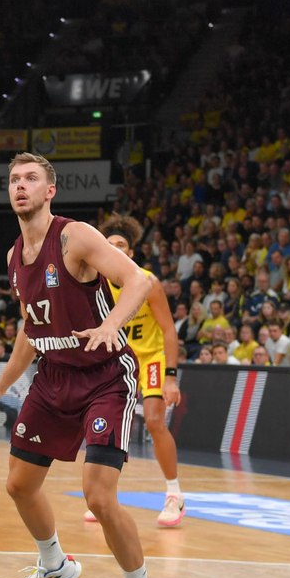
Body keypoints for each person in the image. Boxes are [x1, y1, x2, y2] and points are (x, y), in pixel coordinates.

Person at [0, 153, 152, 578]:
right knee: (19, 485)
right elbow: (32, 330)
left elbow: (139, 281)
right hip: (53, 379)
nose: (20, 185)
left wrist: (111, 325)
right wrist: (3, 383)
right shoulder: (15, 254)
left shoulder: (75, 237)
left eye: (31, 179)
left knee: (99, 497)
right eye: (14, 179)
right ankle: (55, 565)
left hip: (105, 376)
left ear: (49, 191)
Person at [88, 215, 185, 527]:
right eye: (109, 245)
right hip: (119, 360)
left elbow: (169, 331)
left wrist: (170, 375)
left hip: (152, 358)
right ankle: (105, 497)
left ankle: (174, 495)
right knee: (108, 427)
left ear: (129, 254)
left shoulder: (147, 281)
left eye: (121, 245)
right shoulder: (95, 286)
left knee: (155, 420)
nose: (115, 249)